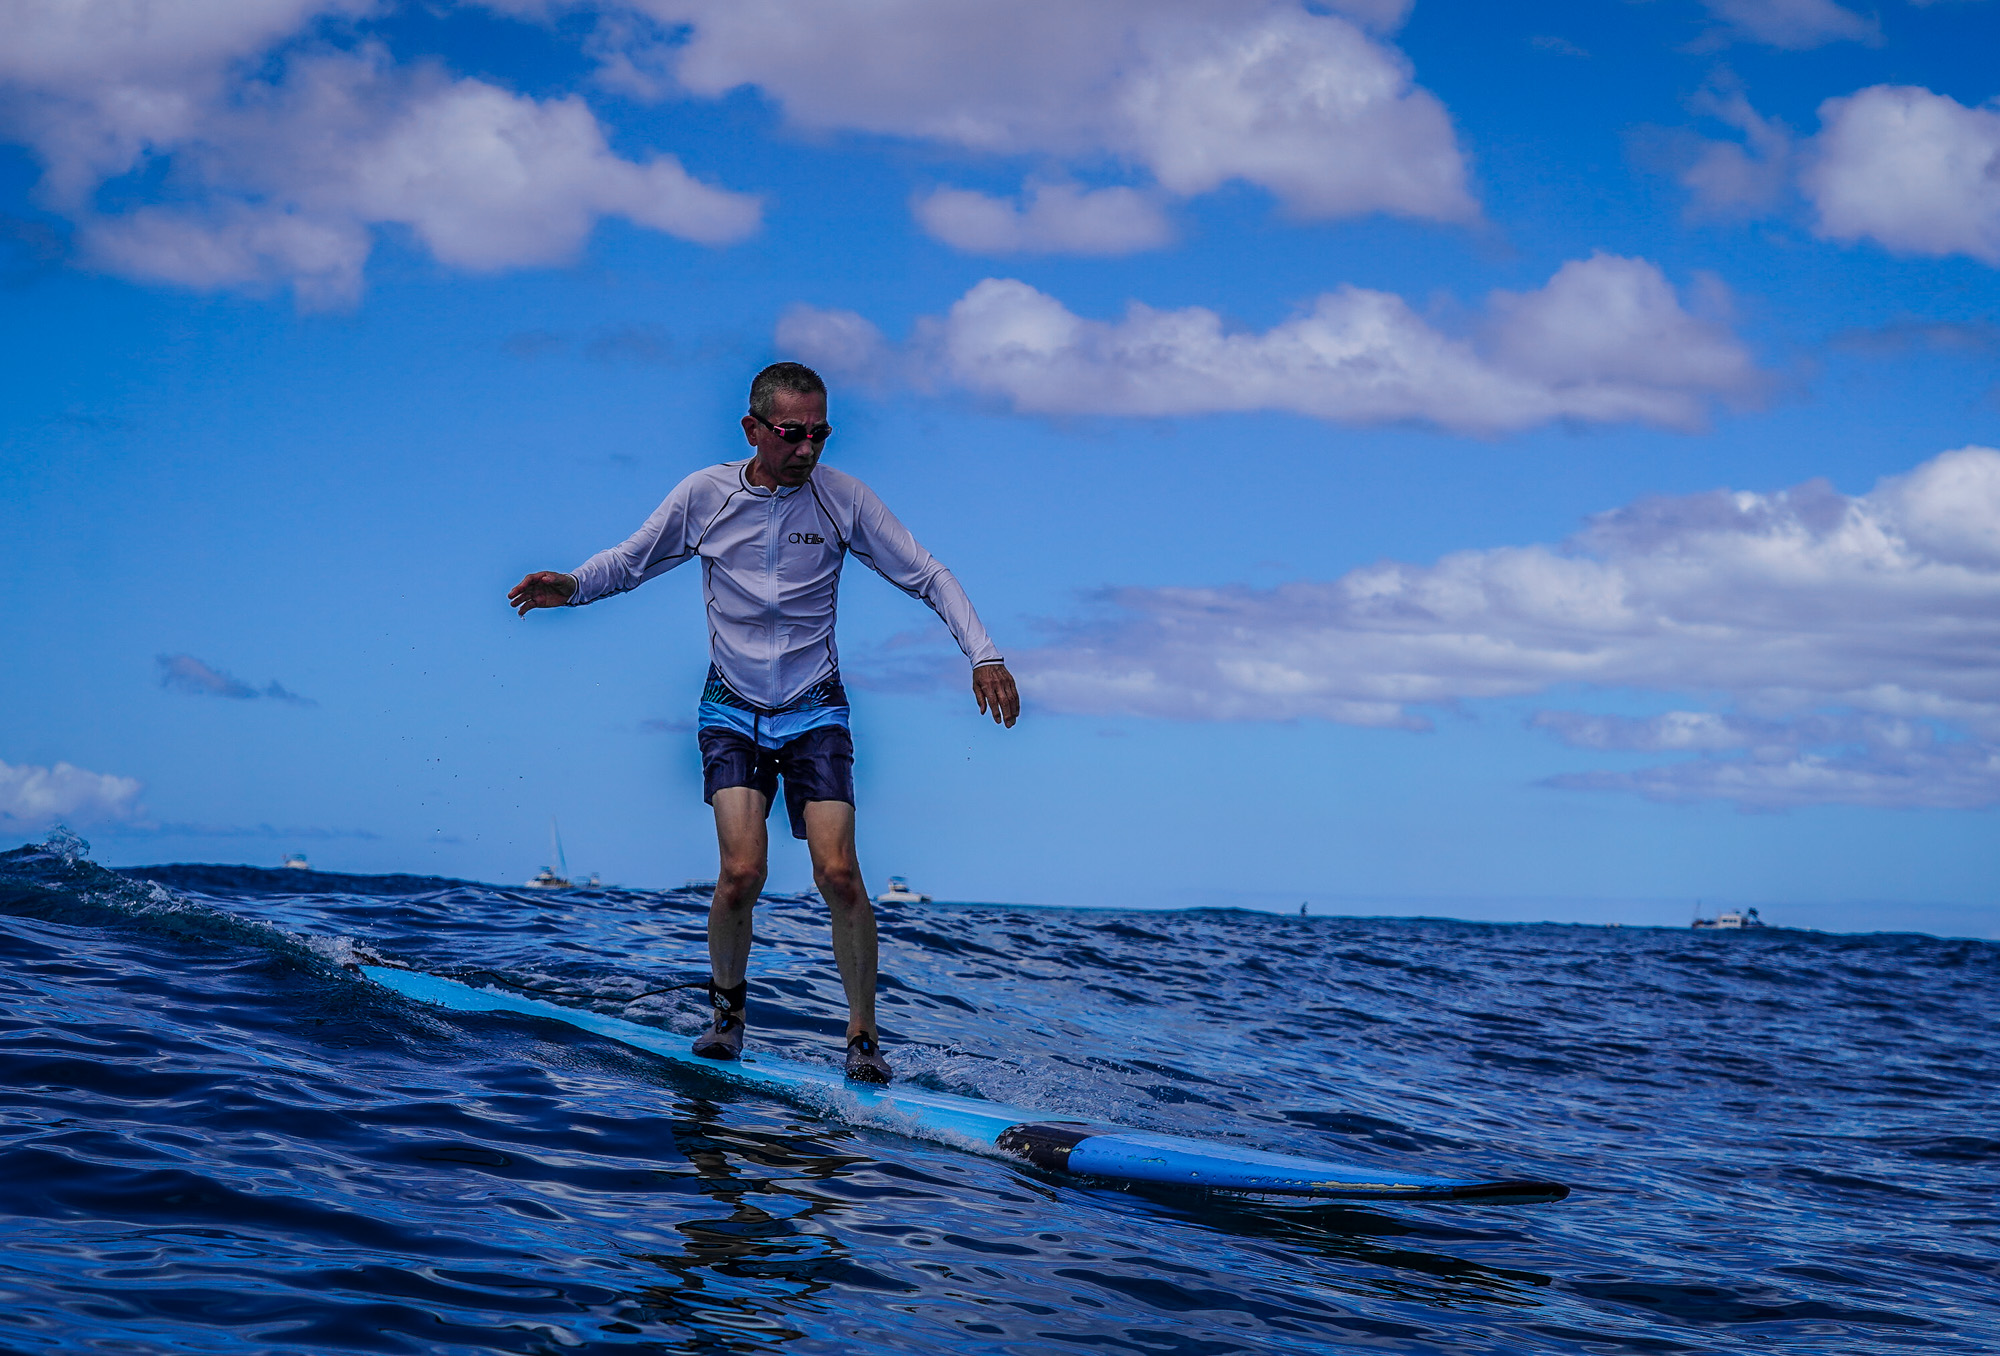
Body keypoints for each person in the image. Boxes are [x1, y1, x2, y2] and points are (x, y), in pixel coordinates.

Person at [507, 362, 1018, 1084]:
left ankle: (864, 1039)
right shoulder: (705, 496)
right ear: (753, 429)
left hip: (815, 707)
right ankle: (726, 1018)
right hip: (732, 708)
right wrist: (574, 586)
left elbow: (928, 574)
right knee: (742, 871)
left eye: (820, 434)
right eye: (792, 434)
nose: (808, 450)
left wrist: (984, 655)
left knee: (839, 873)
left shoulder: (843, 500)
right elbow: (628, 563)